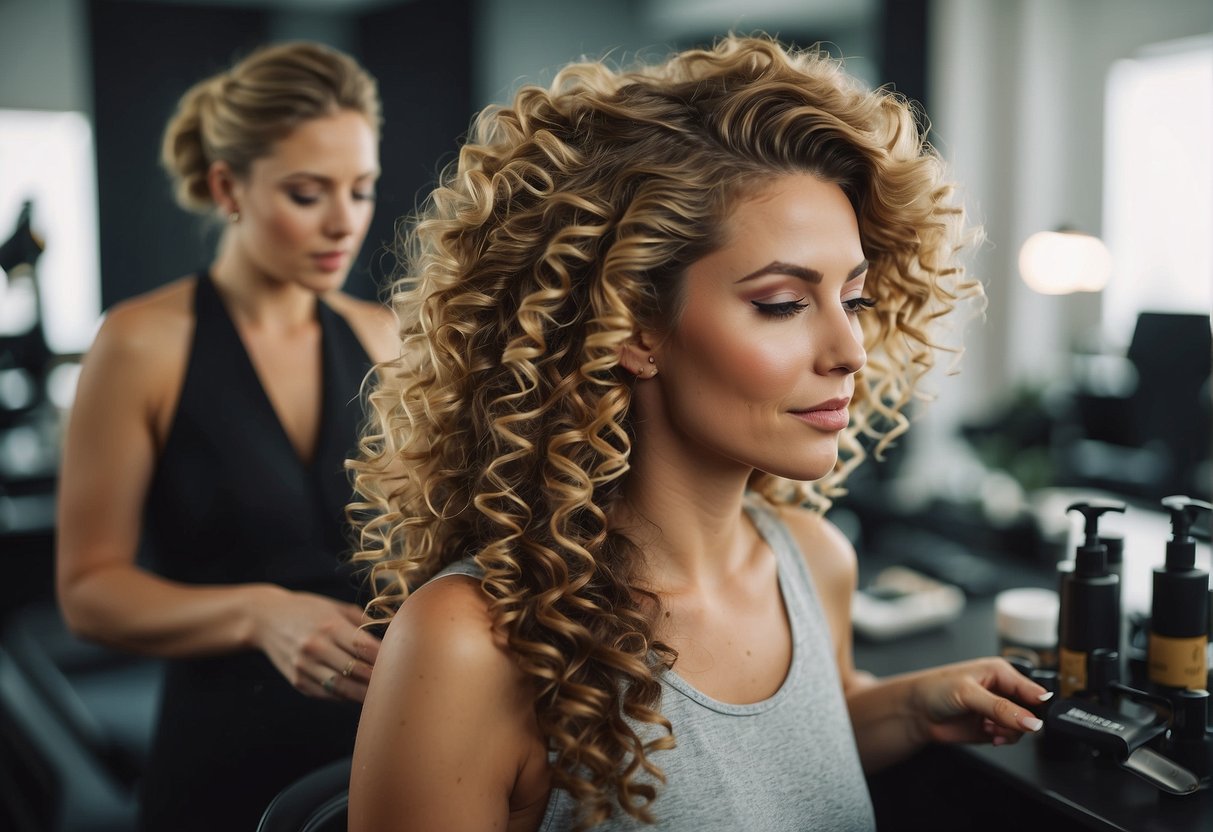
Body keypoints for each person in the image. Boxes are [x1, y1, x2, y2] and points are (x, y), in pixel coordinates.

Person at [346, 35, 1051, 831]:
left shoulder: (815, 566)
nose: (850, 350)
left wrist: (911, 710)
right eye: (783, 303)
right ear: (633, 330)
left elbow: (759, 760)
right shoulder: (471, 645)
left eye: (851, 299)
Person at [55, 41, 397, 831]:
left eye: (362, 188)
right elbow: (88, 594)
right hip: (224, 749)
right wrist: (259, 614)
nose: (343, 221)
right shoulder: (142, 343)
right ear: (226, 187)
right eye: (308, 193)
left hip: (382, 738)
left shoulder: (386, 337)